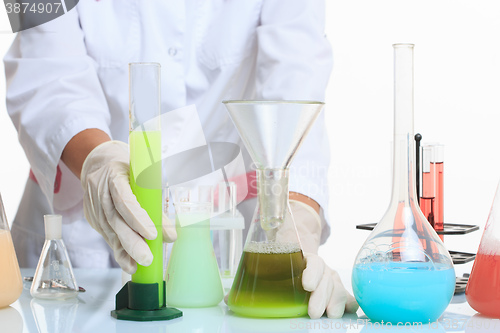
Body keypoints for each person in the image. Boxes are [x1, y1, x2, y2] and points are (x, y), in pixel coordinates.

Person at [4, 0, 358, 318]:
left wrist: (295, 225)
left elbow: (295, 82)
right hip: (85, 233)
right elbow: (44, 70)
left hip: (223, 231)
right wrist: (99, 161)